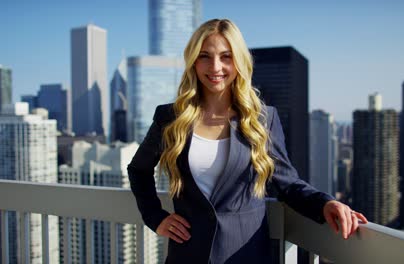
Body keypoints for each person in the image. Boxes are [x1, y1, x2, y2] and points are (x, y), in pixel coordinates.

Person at [128, 18, 368, 264]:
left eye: (226, 56)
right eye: (204, 56)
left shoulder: (263, 119)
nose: (215, 67)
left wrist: (325, 203)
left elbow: (288, 184)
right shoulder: (170, 117)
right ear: (193, 61)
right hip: (187, 254)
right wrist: (155, 217)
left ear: (239, 61)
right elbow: (138, 170)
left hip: (246, 254)